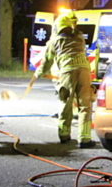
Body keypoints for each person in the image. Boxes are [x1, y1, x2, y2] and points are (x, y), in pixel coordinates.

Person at [35, 12, 96, 148]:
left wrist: (38, 73)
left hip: (67, 72)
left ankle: (64, 136)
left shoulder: (54, 41)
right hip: (84, 71)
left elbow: (47, 61)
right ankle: (84, 139)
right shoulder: (79, 38)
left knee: (65, 103)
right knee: (85, 105)